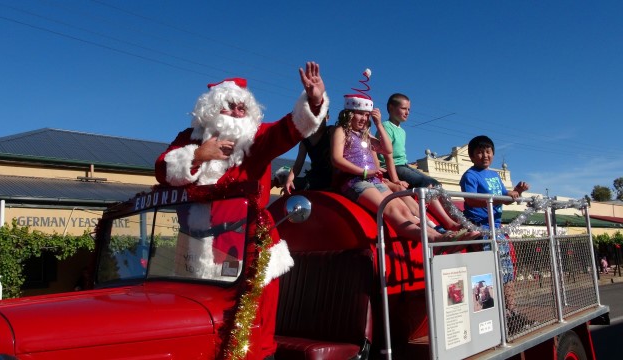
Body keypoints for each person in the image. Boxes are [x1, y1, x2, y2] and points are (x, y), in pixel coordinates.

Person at [155, 62, 329, 360]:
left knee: (253, 330)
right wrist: (198, 155)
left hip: (247, 243)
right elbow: (163, 169)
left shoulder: (255, 139)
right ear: (211, 110)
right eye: (230, 106)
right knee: (200, 321)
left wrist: (313, 101)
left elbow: (289, 129)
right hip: (195, 246)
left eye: (241, 108)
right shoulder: (190, 138)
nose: (237, 113)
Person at [330, 70, 478, 244]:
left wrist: (377, 123)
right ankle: (436, 239)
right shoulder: (341, 131)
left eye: (366, 115)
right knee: (392, 210)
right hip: (355, 181)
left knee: (405, 210)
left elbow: (387, 149)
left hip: (374, 180)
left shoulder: (365, 135)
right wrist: (364, 172)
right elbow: (336, 159)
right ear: (349, 113)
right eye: (359, 114)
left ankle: (440, 234)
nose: (363, 118)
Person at [459, 135, 530, 334]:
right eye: (480, 152)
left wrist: (516, 191)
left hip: (497, 228)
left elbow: (505, 195)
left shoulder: (495, 176)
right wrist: (498, 200)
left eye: (488, 151)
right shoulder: (470, 176)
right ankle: (494, 314)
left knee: (507, 271)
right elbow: (471, 200)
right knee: (489, 273)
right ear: (472, 156)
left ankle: (512, 311)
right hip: (482, 228)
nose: (485, 155)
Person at [375, 93, 460, 231]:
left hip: (403, 165)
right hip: (392, 167)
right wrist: (395, 179)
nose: (407, 112)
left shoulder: (402, 131)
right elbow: (388, 155)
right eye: (403, 108)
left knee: (437, 184)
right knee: (426, 183)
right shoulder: (386, 127)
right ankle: (447, 221)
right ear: (391, 108)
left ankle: (456, 217)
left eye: (408, 109)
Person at [282, 112, 334, 194]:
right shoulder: (305, 140)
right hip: (315, 175)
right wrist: (289, 180)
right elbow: (298, 165)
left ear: (327, 118)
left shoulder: (332, 132)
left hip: (333, 176)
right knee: (292, 185)